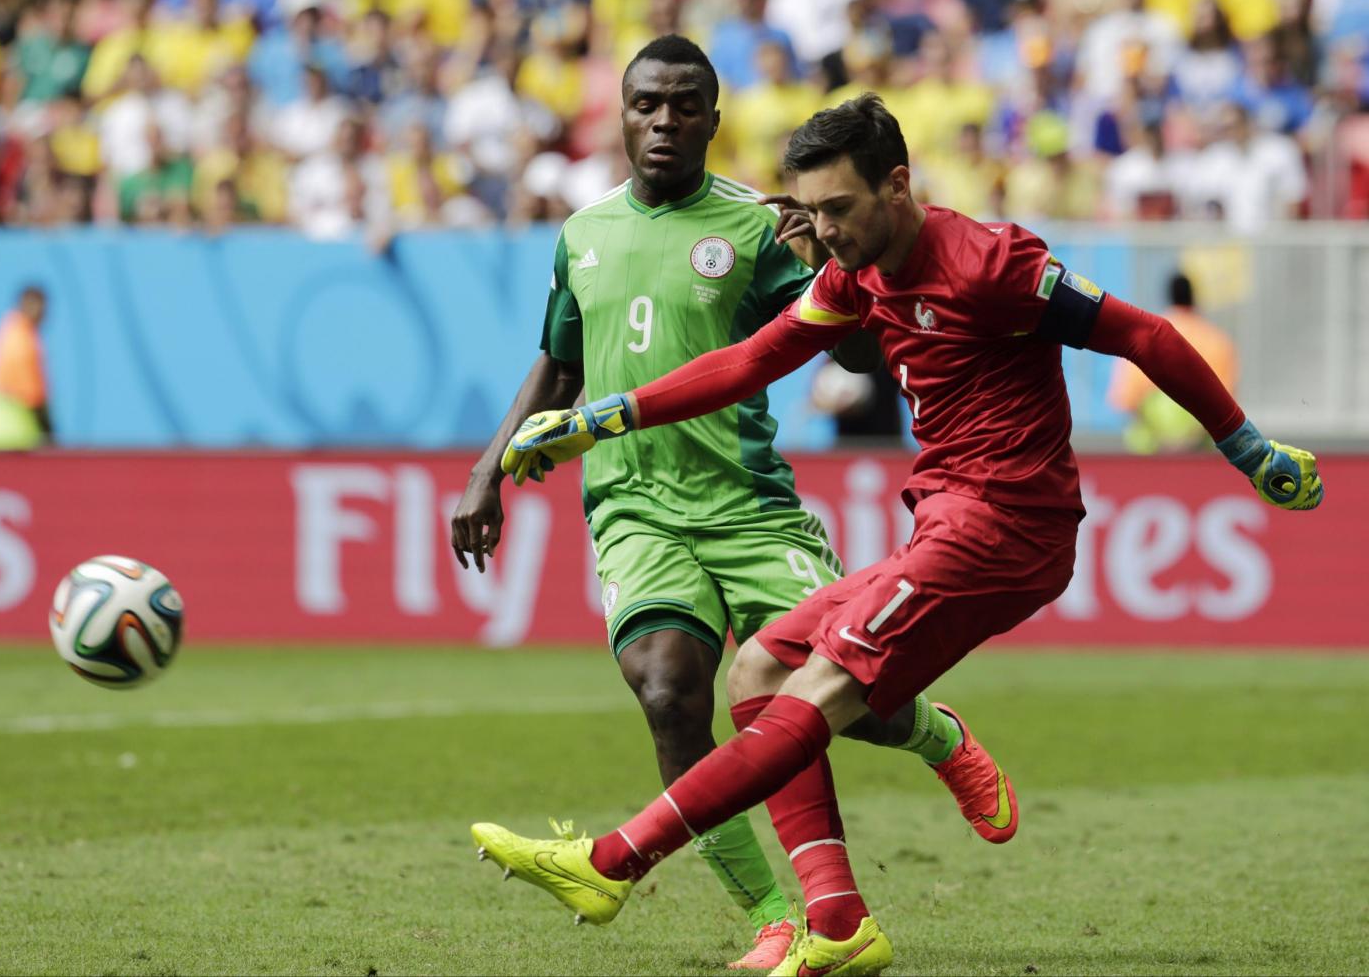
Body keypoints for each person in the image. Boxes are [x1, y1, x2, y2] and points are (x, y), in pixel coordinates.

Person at [473, 94, 1324, 977]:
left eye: (839, 208)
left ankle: (614, 861)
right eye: (813, 212)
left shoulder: (992, 264)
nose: (823, 232)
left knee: (817, 693)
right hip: (945, 519)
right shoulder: (855, 275)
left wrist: (1248, 448)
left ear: (898, 186)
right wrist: (606, 415)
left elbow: (1145, 333)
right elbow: (752, 360)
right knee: (759, 669)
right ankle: (840, 922)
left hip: (1008, 525)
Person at [451, 45, 1015, 973]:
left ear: (714, 121)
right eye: (646, 105)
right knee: (670, 694)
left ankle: (935, 733)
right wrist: (488, 469)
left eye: (684, 106)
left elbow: (859, 350)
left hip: (749, 505)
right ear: (621, 116)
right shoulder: (583, 233)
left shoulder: (760, 227)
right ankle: (774, 916)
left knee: (841, 698)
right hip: (633, 507)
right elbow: (559, 365)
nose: (663, 121)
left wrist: (822, 261)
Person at [1108, 272, 1239, 453]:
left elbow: (1127, 401)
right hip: (1201, 444)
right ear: (1194, 297)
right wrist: (1189, 437)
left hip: (1153, 446)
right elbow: (1225, 400)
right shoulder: (1216, 340)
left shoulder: (1145, 335)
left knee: (1136, 433)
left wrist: (1163, 437)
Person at [0, 285, 53, 450]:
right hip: (13, 434)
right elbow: (34, 395)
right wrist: (49, 432)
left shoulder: (9, 330)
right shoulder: (24, 340)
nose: (41, 312)